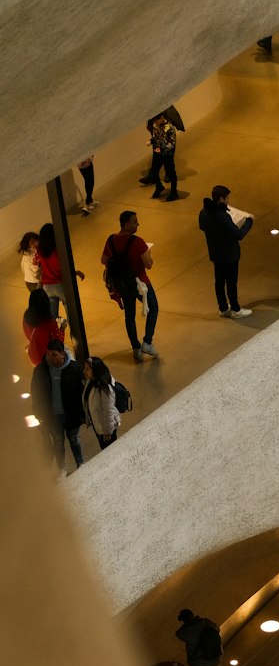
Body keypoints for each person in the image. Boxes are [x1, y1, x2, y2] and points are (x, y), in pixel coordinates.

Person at [101, 210, 158, 363]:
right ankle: (147, 341)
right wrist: (148, 254)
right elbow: (149, 264)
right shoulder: (138, 241)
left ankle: (136, 348)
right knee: (153, 307)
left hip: (122, 284)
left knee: (129, 315)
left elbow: (104, 260)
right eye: (134, 221)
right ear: (126, 224)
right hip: (140, 283)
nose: (137, 224)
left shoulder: (111, 240)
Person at [30, 338, 84, 475]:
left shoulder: (74, 368)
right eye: (48, 354)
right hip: (53, 416)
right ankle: (62, 469)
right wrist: (38, 413)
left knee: (74, 440)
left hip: (71, 414)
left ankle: (80, 463)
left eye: (54, 354)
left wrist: (82, 413)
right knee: (58, 443)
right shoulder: (40, 371)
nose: (50, 357)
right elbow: (36, 393)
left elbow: (80, 393)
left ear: (62, 354)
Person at [198, 186, 253, 318]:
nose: (229, 201)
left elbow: (202, 226)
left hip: (215, 254)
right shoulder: (222, 217)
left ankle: (223, 308)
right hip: (229, 255)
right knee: (231, 282)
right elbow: (238, 234)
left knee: (219, 281)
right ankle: (235, 308)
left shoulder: (204, 212)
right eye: (227, 198)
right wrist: (249, 222)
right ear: (221, 199)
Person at [36, 222, 84, 317]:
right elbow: (63, 270)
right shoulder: (58, 252)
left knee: (51, 316)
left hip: (47, 287)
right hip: (60, 285)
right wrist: (76, 272)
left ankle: (53, 332)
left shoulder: (40, 250)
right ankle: (73, 332)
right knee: (71, 313)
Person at [82, 357, 121, 449]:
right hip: (99, 425)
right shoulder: (92, 381)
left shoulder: (104, 388)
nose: (84, 371)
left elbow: (108, 411)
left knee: (110, 451)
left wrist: (107, 432)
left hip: (106, 429)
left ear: (95, 370)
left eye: (87, 369)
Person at [22, 287, 63, 366]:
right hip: (48, 360)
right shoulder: (50, 323)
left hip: (33, 356)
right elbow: (58, 341)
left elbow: (27, 334)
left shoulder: (26, 316)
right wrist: (62, 328)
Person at [148, 114, 179, 200]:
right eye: (154, 121)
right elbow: (155, 137)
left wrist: (163, 149)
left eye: (156, 120)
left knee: (171, 172)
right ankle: (159, 186)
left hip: (167, 154)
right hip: (158, 152)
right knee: (154, 170)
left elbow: (172, 143)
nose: (155, 123)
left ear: (162, 118)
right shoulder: (155, 125)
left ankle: (174, 191)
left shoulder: (170, 128)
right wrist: (151, 141)